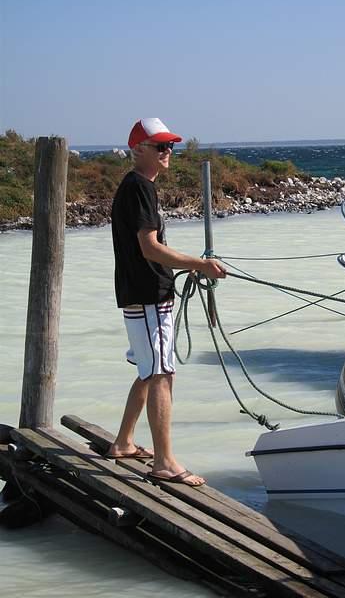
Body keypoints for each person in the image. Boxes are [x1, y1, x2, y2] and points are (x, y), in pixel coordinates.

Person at [107, 117, 226, 487]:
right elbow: (150, 248)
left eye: (170, 146)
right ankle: (164, 462)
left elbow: (150, 249)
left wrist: (189, 266)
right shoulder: (140, 187)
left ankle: (124, 442)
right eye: (160, 146)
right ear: (138, 150)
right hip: (146, 296)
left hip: (143, 295)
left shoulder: (139, 186)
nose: (168, 152)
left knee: (148, 370)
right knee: (161, 373)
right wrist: (200, 265)